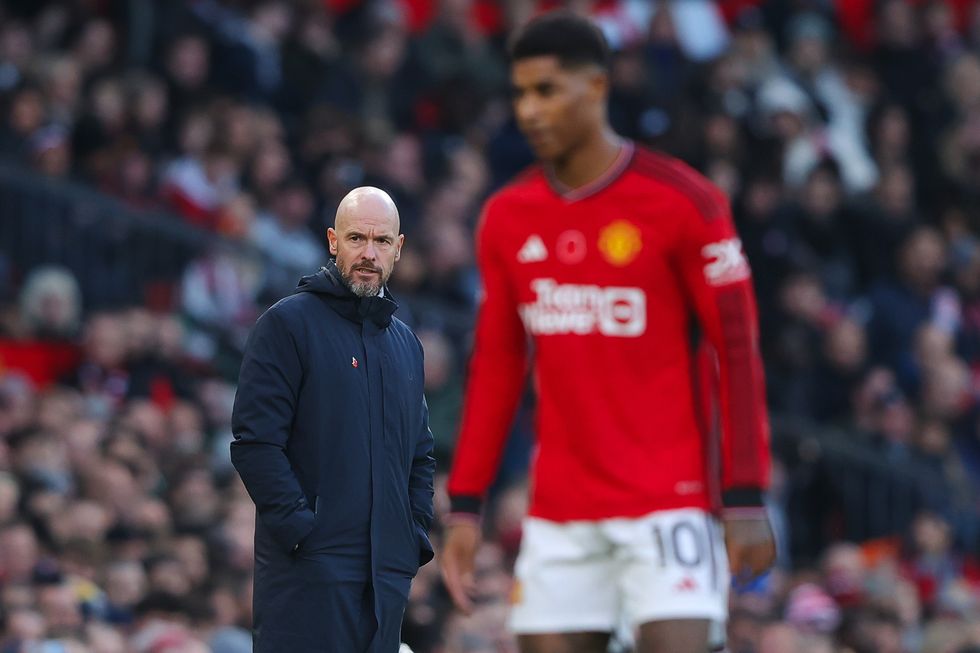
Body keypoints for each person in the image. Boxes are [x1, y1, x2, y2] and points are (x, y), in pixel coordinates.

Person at [440, 12, 776, 653]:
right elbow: (497, 366)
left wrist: (746, 495)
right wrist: (465, 505)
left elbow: (737, 353)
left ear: (595, 88)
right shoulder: (508, 217)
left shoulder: (684, 202)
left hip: (670, 499)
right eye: (519, 93)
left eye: (547, 91)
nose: (529, 110)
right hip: (560, 512)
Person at [230, 186, 436, 653]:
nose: (368, 253)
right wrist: (305, 533)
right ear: (331, 241)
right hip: (308, 577)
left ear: (398, 248)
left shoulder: (407, 345)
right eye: (356, 238)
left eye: (381, 241)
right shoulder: (287, 324)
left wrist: (413, 533)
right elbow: (254, 442)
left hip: (386, 577)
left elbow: (420, 453)